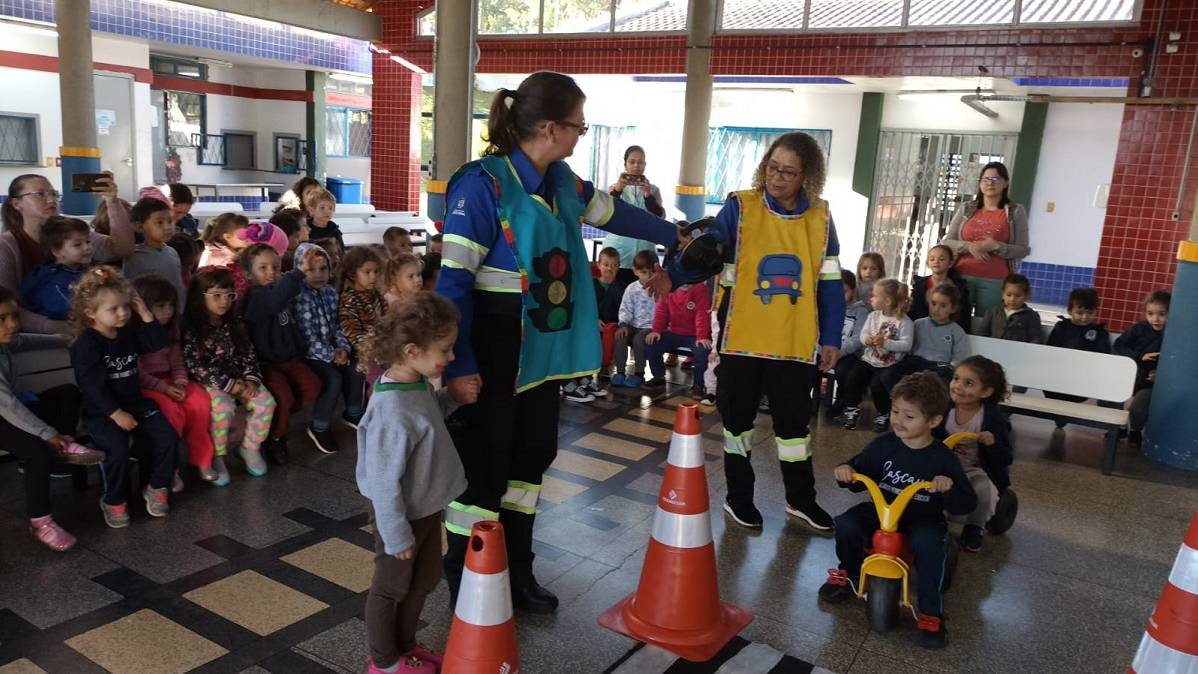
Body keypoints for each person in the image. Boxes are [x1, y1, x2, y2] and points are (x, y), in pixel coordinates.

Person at [436, 71, 677, 613]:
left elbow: (617, 213)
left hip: (540, 349)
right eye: (578, 126)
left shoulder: (562, 181)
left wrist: (677, 235)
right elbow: (452, 286)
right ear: (548, 127)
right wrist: (458, 364)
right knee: (485, 467)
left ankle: (517, 573)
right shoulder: (483, 184)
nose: (580, 135)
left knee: (532, 456)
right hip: (493, 344)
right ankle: (468, 584)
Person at [701, 131, 846, 532]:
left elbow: (831, 284)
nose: (777, 178)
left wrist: (831, 337)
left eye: (789, 172)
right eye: (772, 167)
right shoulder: (740, 208)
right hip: (740, 339)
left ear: (807, 177)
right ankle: (738, 500)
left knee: (794, 432)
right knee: (737, 427)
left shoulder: (820, 218)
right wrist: (674, 271)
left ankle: (801, 501)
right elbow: (707, 251)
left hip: (794, 345)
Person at [819, 372, 976, 649]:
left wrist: (947, 487)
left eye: (909, 416)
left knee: (929, 545)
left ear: (934, 421)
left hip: (923, 517)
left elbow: (966, 503)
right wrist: (847, 471)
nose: (898, 420)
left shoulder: (942, 457)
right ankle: (849, 574)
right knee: (846, 524)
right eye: (895, 412)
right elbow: (858, 469)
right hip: (883, 511)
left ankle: (931, 611)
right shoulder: (884, 445)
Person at [357, 293, 469, 674]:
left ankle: (406, 646)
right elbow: (384, 481)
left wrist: (450, 398)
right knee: (390, 587)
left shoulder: (416, 383)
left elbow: (430, 417)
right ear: (411, 350)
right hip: (401, 512)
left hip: (423, 504)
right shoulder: (391, 410)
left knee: (424, 579)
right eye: (445, 350)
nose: (451, 358)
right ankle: (384, 662)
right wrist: (395, 533)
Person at [69, 267, 179, 527]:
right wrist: (115, 414)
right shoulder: (86, 344)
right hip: (103, 412)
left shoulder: (127, 329)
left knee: (168, 437)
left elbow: (155, 343)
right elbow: (92, 387)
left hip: (136, 404)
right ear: (90, 313)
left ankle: (157, 486)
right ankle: (113, 500)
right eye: (113, 309)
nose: (122, 313)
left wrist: (144, 313)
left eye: (125, 307)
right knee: (116, 450)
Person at [0, 287, 101, 550]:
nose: (11, 324)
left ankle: (62, 447)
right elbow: (7, 405)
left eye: (14, 316)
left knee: (67, 393)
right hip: (4, 415)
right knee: (36, 451)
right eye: (2, 319)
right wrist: (46, 433)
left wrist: (64, 338)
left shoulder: (6, 341)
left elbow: (26, 341)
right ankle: (41, 522)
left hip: (13, 409)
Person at [2, 173, 134, 334]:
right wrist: (55, 327)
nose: (51, 200)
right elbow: (5, 305)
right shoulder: (6, 246)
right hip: (33, 340)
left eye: (53, 194)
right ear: (16, 203)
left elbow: (122, 249)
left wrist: (112, 202)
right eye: (40, 194)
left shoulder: (71, 231)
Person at [183, 267, 276, 484]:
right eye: (216, 296)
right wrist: (227, 385)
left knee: (266, 403)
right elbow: (194, 365)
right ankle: (217, 455)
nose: (224, 301)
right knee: (222, 407)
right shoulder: (192, 327)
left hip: (241, 379)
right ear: (200, 296)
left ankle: (250, 447)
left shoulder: (235, 321)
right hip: (210, 382)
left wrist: (251, 377)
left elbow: (248, 352)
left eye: (229, 295)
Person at [133, 274, 217, 485]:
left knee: (200, 402)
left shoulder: (171, 330)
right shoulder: (133, 334)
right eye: (160, 305)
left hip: (172, 381)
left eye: (171, 305)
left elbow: (177, 361)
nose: (168, 311)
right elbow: (138, 372)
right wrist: (164, 389)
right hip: (148, 386)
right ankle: (171, 468)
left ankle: (202, 459)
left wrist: (180, 382)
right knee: (171, 412)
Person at [241, 244, 320, 465]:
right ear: (249, 274)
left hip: (289, 359)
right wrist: (297, 273)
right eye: (262, 268)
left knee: (312, 386)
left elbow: (289, 319)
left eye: (275, 267)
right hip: (266, 364)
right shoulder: (255, 297)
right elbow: (274, 299)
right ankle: (276, 437)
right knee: (283, 396)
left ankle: (275, 423)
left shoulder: (280, 291)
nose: (270, 273)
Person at [935, 356, 1013, 553]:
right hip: (940, 465)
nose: (958, 387)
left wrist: (992, 442)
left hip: (973, 468)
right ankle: (932, 518)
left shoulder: (992, 418)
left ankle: (975, 527)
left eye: (968, 383)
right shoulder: (943, 408)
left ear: (985, 392)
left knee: (982, 487)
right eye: (956, 378)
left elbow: (1005, 457)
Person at [293, 243, 363, 453]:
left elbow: (336, 325)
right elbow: (308, 336)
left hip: (331, 350)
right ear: (300, 269)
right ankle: (319, 426)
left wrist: (343, 348)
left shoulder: (330, 292)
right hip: (308, 354)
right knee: (333, 379)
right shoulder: (299, 296)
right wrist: (331, 355)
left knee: (356, 369)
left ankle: (353, 412)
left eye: (323, 269)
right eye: (310, 269)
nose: (317, 275)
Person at [940, 162, 1031, 317]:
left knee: (987, 325)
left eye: (995, 179)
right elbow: (947, 242)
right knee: (956, 321)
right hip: (962, 277)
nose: (990, 183)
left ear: (1005, 183)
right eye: (985, 179)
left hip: (995, 280)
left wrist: (997, 246)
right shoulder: (967, 208)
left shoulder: (1015, 211)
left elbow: (1023, 249)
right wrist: (969, 247)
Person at [837, 278, 913, 433]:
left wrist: (885, 343)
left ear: (887, 301)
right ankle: (851, 408)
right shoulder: (873, 316)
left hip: (889, 364)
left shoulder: (904, 322)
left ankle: (883, 413)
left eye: (875, 295)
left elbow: (906, 345)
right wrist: (867, 339)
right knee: (854, 376)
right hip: (869, 359)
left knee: (878, 385)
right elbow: (863, 334)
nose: (871, 298)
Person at [879, 282, 968, 390]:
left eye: (943, 305)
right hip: (915, 362)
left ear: (953, 308)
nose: (936, 309)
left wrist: (950, 370)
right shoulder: (918, 324)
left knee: (941, 383)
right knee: (887, 375)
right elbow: (908, 348)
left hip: (939, 367)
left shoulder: (957, 331)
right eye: (933, 303)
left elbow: (958, 360)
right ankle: (901, 401)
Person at [602, 145, 665, 285]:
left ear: (645, 164)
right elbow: (607, 214)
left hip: (645, 256)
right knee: (616, 297)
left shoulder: (653, 190)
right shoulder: (614, 188)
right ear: (625, 164)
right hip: (619, 254)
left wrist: (648, 195)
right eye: (632, 162)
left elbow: (659, 217)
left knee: (645, 298)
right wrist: (618, 189)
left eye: (640, 162)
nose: (636, 166)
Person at [1114, 290, 1170, 448]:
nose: (1156, 319)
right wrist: (1139, 356)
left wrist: (1161, 375)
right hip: (1131, 377)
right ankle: (1119, 428)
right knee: (1109, 399)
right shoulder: (1139, 328)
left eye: (1162, 314)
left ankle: (1136, 431)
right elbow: (1119, 345)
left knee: (1139, 406)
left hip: (1148, 383)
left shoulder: (1172, 334)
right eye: (1150, 313)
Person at [645, 276, 712, 398]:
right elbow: (661, 310)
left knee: (703, 350)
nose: (686, 282)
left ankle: (698, 385)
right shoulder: (668, 287)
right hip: (673, 332)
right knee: (652, 342)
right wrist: (656, 330)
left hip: (694, 335)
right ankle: (658, 376)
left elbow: (702, 314)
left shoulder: (701, 289)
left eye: (690, 279)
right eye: (683, 277)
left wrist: (702, 336)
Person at [18, 217, 94, 321]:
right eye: (77, 244)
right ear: (57, 252)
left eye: (88, 241)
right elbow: (69, 310)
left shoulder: (88, 269)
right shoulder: (52, 281)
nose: (87, 247)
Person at [122, 196, 184, 308]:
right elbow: (132, 291)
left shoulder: (172, 252)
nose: (167, 227)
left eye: (170, 221)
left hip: (176, 313)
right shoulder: (135, 257)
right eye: (159, 223)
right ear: (139, 226)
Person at [338, 246, 387, 383]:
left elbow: (388, 321)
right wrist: (377, 351)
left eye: (376, 272)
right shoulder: (349, 299)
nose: (373, 276)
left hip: (383, 349)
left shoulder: (376, 296)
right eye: (367, 272)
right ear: (353, 274)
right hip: (364, 355)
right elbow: (353, 333)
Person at [611, 249, 659, 388]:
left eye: (652, 272)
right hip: (633, 326)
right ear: (635, 271)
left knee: (639, 340)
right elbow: (625, 308)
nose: (648, 276)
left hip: (650, 327)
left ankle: (639, 373)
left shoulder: (659, 288)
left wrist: (659, 327)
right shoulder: (631, 288)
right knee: (620, 336)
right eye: (644, 272)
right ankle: (620, 372)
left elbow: (662, 311)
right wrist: (623, 324)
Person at [829, 270, 870, 419]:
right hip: (828, 350)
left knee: (843, 371)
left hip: (848, 353)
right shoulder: (830, 308)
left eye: (844, 291)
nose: (839, 296)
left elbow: (858, 339)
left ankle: (842, 398)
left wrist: (838, 352)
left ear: (853, 291)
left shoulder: (861, 311)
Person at [909, 244, 971, 332]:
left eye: (941, 259)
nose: (936, 262)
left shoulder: (959, 286)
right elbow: (914, 310)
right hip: (922, 330)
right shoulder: (920, 285)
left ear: (950, 263)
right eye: (932, 259)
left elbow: (964, 314)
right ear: (927, 263)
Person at [981, 273, 1041, 343]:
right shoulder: (992, 312)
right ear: (1003, 294)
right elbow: (983, 333)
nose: (1012, 299)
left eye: (1018, 296)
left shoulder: (1032, 316)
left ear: (1026, 296)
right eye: (1008, 295)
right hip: (992, 350)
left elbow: (1035, 338)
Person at [304, 188, 345, 253]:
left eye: (330, 208)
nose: (327, 212)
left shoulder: (334, 231)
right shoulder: (306, 230)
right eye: (322, 208)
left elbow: (341, 252)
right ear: (312, 210)